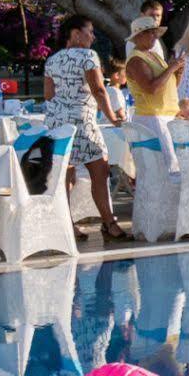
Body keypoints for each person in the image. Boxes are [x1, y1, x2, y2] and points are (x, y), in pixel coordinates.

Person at [39, 23, 130, 244]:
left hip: (57, 124)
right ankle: (109, 223)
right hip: (82, 121)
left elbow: (48, 94)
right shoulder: (88, 55)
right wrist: (112, 118)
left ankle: (67, 224)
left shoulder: (52, 60)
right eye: (89, 32)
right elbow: (99, 89)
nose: (92, 36)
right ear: (75, 33)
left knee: (65, 175)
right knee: (100, 169)